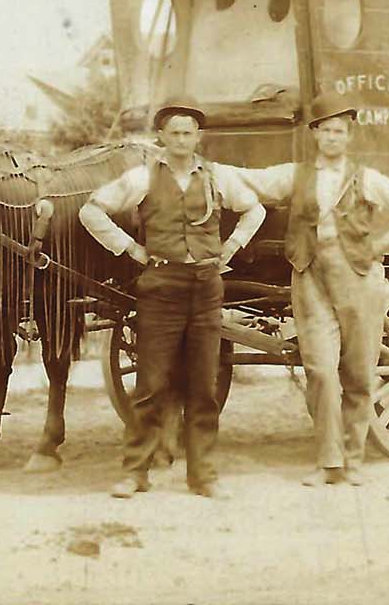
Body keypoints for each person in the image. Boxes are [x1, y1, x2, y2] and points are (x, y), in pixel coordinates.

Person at [240, 93, 389, 486]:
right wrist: (199, 166)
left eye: (339, 131)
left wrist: (381, 245)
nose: (332, 137)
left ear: (348, 136)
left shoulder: (367, 179)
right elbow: (250, 181)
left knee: (359, 372)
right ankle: (329, 462)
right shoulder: (296, 175)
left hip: (359, 278)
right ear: (315, 135)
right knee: (322, 372)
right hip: (310, 276)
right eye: (325, 130)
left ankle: (354, 459)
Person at [79, 95, 265, 499]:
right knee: (150, 385)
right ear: (161, 136)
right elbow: (91, 211)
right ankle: (135, 472)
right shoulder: (142, 177)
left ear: (198, 136)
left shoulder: (217, 178)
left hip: (206, 287)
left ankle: (203, 475)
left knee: (203, 385)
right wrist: (130, 249)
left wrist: (230, 248)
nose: (181, 140)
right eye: (174, 132)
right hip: (161, 288)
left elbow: (255, 210)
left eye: (188, 132)